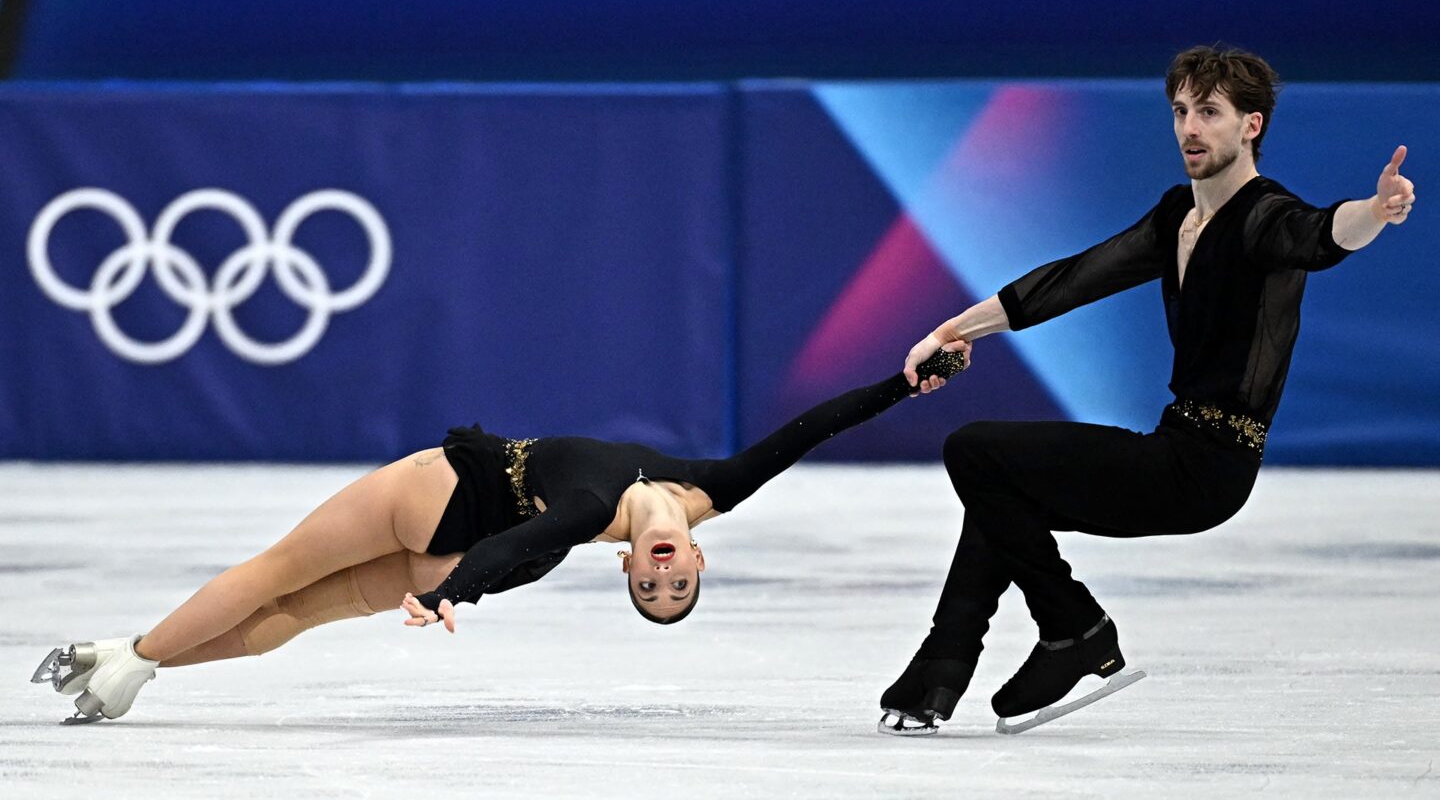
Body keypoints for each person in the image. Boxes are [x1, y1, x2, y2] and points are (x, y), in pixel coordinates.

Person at [876, 45, 1417, 735]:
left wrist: (1375, 210)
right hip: (1175, 442)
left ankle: (1074, 627)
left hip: (1209, 467)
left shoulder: (1264, 216)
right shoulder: (1177, 217)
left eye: (1210, 112)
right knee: (999, 495)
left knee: (975, 451)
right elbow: (1073, 279)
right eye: (1181, 111)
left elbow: (1318, 236)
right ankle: (942, 670)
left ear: (1251, 125)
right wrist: (954, 330)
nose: (1190, 127)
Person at [32, 350, 968, 724]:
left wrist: (449, 590)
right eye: (676, 585)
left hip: (444, 501)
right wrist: (906, 383)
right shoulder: (716, 491)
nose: (662, 579)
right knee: (297, 613)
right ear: (695, 558)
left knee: (279, 574)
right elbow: (811, 429)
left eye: (650, 591)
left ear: (629, 570)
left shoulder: (593, 512)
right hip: (462, 548)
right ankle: (130, 661)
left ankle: (137, 658)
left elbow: (514, 551)